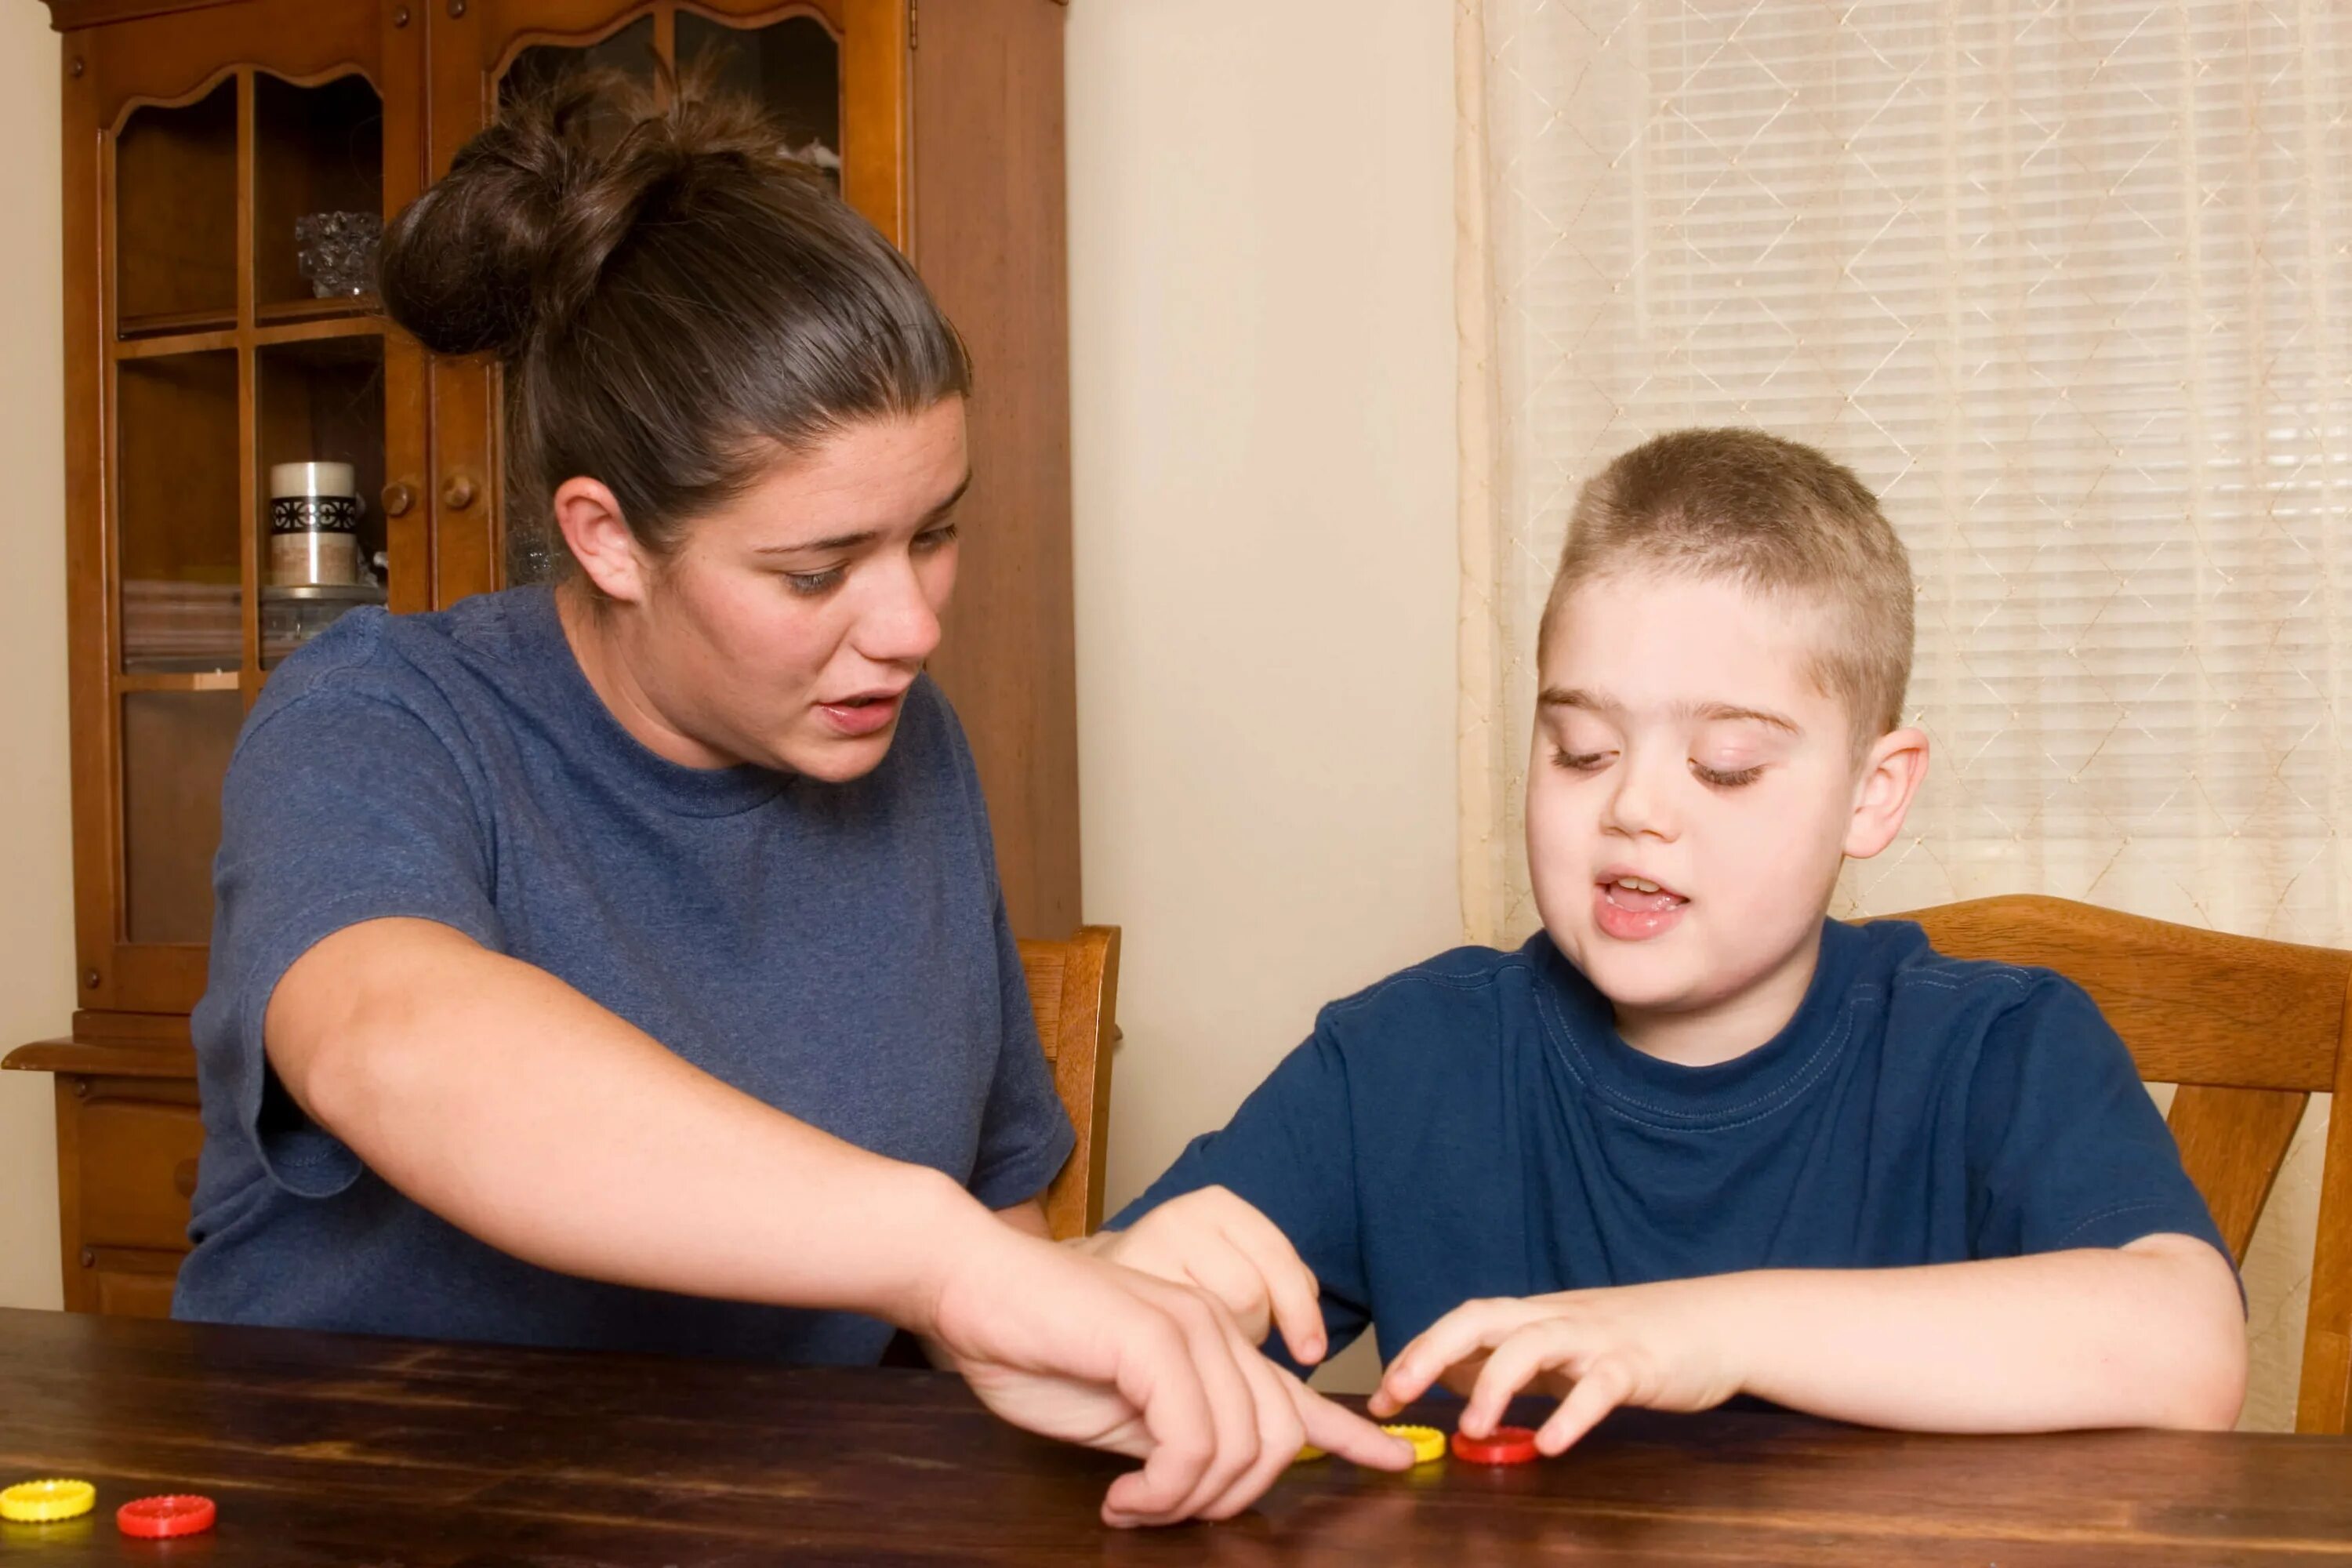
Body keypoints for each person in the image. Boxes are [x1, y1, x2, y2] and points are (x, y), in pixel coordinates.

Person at [175, 71, 1406, 1526]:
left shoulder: (905, 745)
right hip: (354, 1518)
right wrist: (943, 1256)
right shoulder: (381, 715)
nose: (908, 626)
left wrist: (1091, 1301)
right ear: (609, 538)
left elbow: (974, 1252)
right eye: (817, 572)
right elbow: (395, 1041)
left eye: (934, 535)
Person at [1088, 428, 2248, 1451]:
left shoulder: (2000, 1048)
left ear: (1873, 794)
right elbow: (1075, 1347)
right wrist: (1131, 1297)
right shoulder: (1403, 1061)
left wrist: (1707, 1329)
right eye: (1583, 749)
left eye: (1724, 766)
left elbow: (2188, 1350)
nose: (1634, 808)